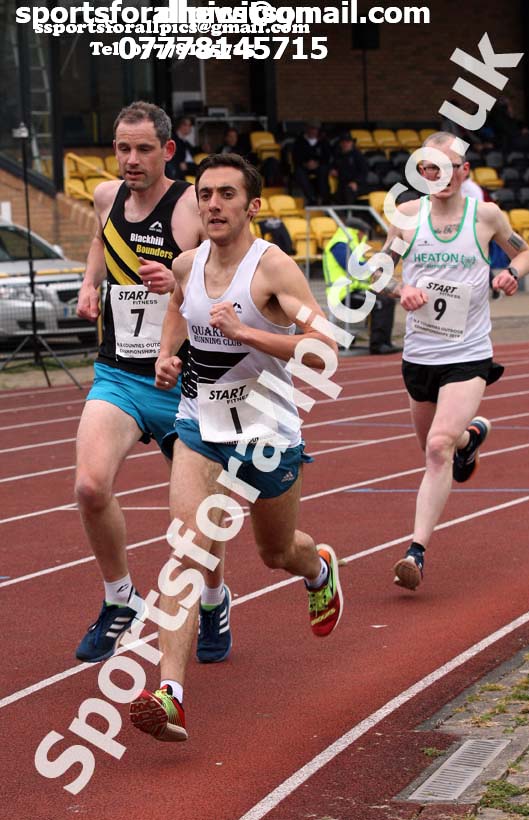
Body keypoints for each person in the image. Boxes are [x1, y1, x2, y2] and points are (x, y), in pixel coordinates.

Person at [129, 153, 343, 742]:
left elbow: (324, 346)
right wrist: (167, 356)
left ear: (252, 206)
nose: (214, 204)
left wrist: (245, 331)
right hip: (200, 427)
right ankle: (170, 694)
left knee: (276, 552)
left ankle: (318, 568)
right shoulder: (187, 263)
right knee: (186, 550)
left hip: (267, 436)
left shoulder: (272, 269)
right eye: (205, 194)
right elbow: (178, 307)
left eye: (227, 194)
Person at [74, 102, 232, 666]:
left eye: (143, 149)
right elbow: (101, 241)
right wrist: (89, 283)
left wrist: (179, 280)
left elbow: (227, 275)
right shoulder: (106, 197)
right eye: (123, 148)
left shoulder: (191, 207)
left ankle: (213, 598)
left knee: (198, 519)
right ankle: (120, 597)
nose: (131, 159)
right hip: (118, 373)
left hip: (184, 382)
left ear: (167, 150)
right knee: (90, 486)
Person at [383, 131, 529, 591]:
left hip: (468, 354)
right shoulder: (407, 218)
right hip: (420, 355)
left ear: (464, 171)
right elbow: (376, 273)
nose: (441, 175)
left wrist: (511, 272)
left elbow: (525, 251)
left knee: (436, 449)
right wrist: (400, 289)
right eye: (432, 167)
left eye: (450, 167)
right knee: (435, 446)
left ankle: (416, 552)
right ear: (422, 172)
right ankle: (469, 439)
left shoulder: (485, 215)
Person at [323, 217, 402, 355]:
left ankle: (385, 342)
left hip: (354, 290)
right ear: (357, 232)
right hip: (342, 294)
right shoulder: (340, 244)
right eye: (364, 233)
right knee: (380, 303)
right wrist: (373, 268)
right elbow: (353, 268)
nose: (364, 237)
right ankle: (378, 345)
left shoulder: (349, 244)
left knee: (388, 300)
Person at [292, 120, 331, 205]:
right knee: (299, 173)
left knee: (324, 170)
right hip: (304, 166)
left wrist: (317, 163)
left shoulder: (323, 141)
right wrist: (306, 164)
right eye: (311, 129)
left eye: (315, 129)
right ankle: (311, 198)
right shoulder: (299, 141)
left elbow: (327, 157)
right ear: (307, 129)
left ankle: (324, 198)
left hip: (319, 166)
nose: (313, 131)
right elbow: (295, 157)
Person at [330, 132, 369, 205]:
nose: (345, 144)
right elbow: (332, 166)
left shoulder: (358, 155)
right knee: (337, 196)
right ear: (340, 144)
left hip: (358, 184)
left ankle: (350, 211)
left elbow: (364, 172)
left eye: (348, 142)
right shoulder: (338, 155)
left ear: (352, 143)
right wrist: (332, 170)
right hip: (342, 184)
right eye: (343, 142)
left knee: (349, 191)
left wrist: (356, 182)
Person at [169, 115, 199, 180]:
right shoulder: (174, 141)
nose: (190, 128)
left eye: (190, 125)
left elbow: (194, 151)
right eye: (188, 125)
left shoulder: (185, 142)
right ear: (181, 126)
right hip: (181, 174)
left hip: (190, 170)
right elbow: (180, 164)